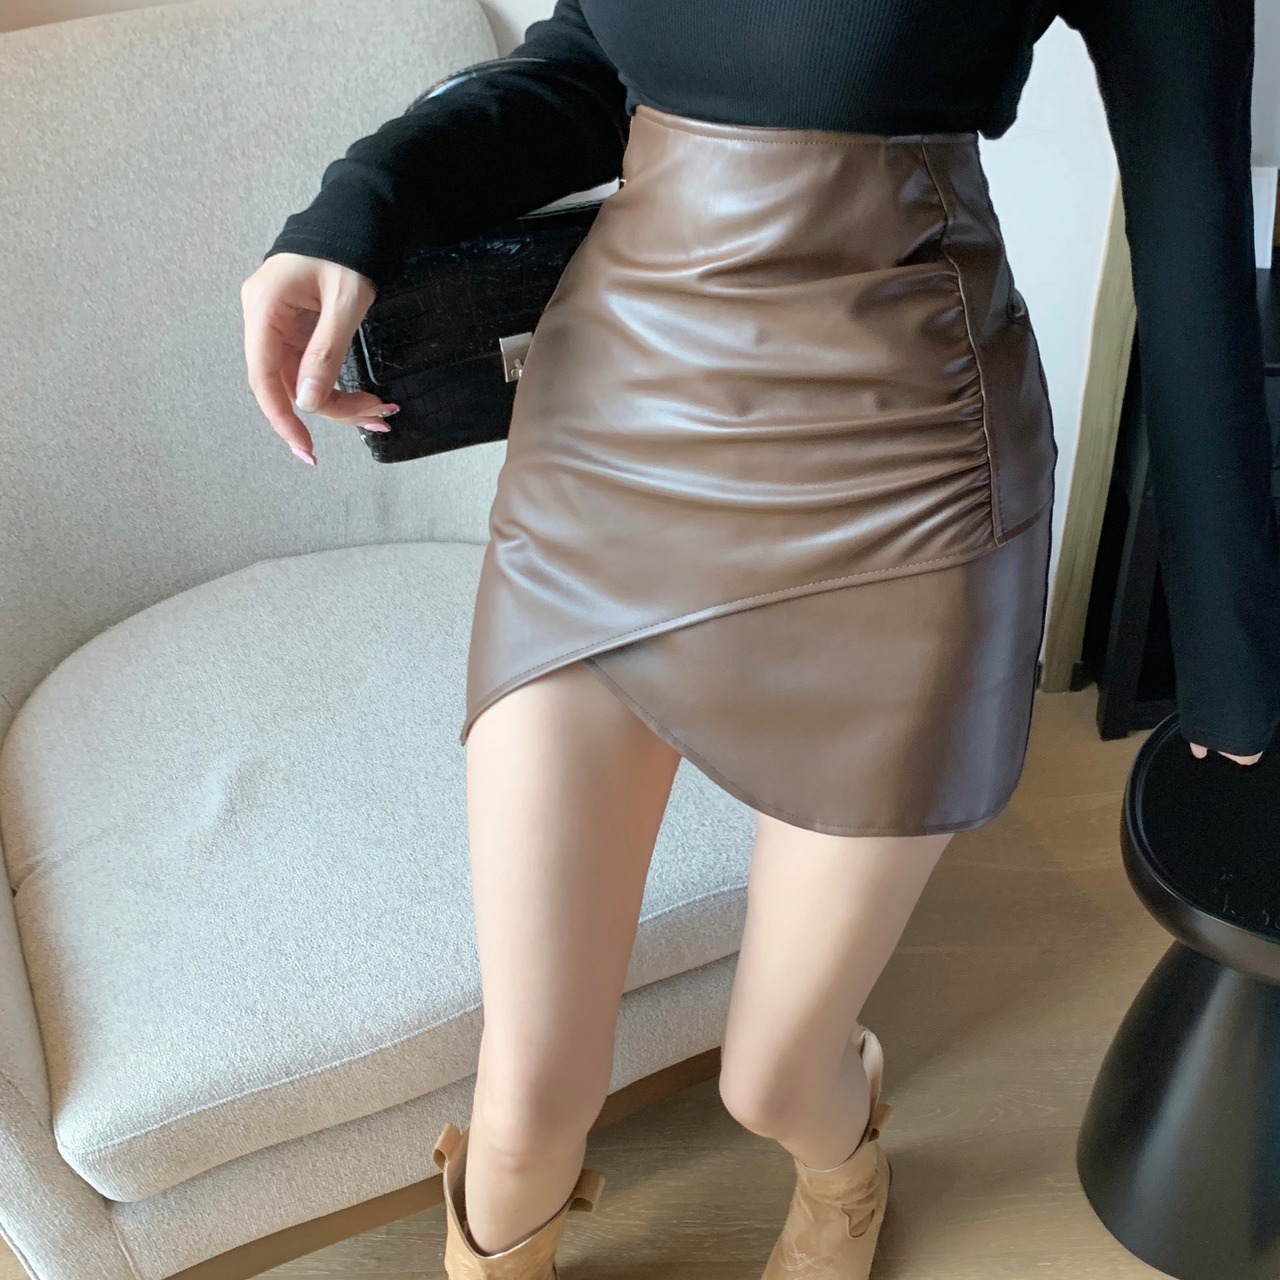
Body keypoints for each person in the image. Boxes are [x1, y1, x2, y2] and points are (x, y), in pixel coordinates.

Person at [240, 1, 1279, 1276]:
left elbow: (1189, 236)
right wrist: (358, 204)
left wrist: (1233, 676)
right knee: (523, 1101)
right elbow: (589, 62)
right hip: (610, 446)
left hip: (898, 490)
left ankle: (845, 1165)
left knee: (774, 1074)